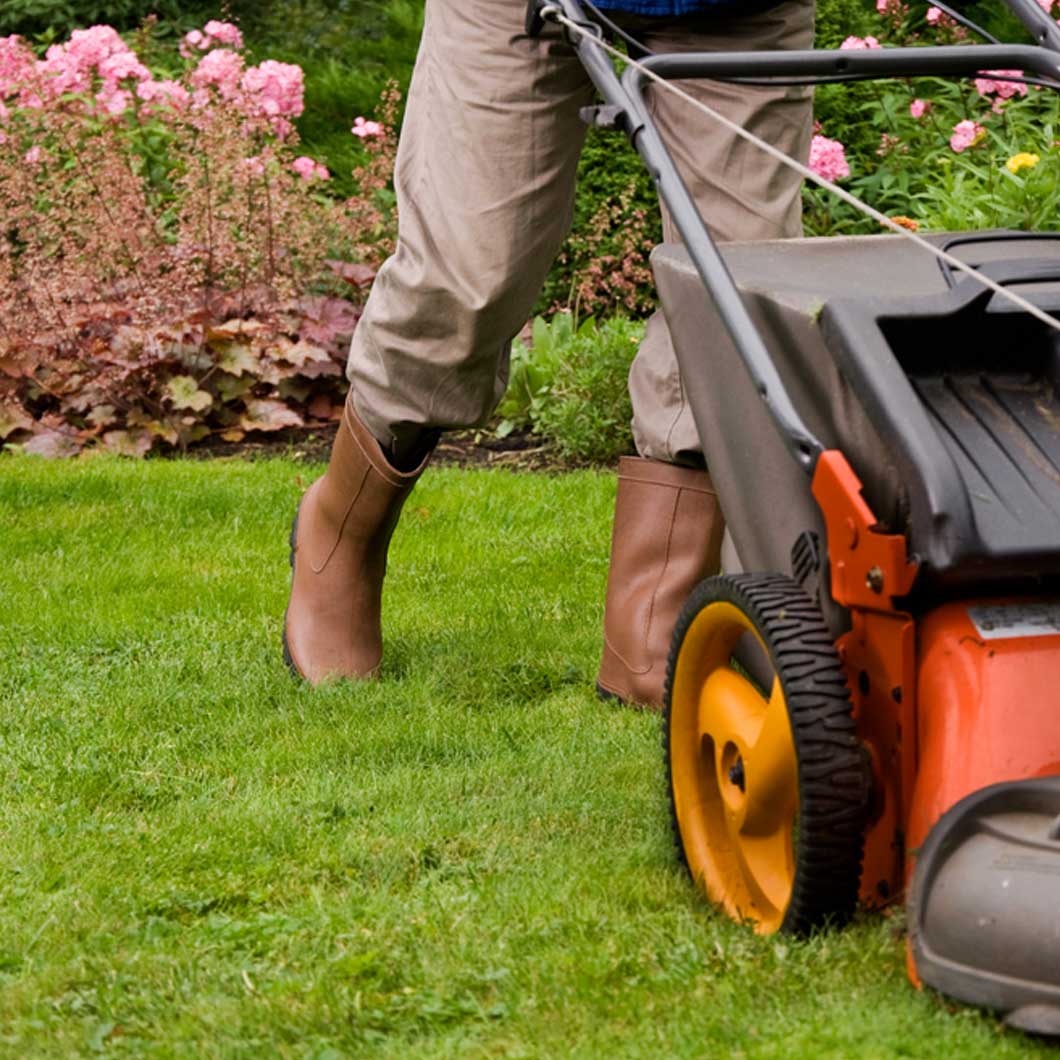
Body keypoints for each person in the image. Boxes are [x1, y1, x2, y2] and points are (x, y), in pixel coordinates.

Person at [282, 0, 814, 705]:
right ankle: (340, 530)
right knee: (466, 279)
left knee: (730, 290)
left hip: (733, 10)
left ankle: (650, 624)